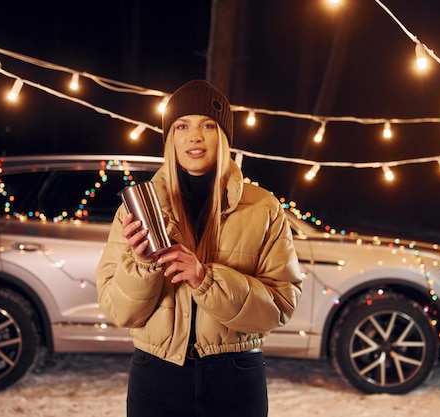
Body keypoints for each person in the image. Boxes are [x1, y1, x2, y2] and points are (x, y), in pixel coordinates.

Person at [96, 79, 303, 417]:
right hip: (156, 378)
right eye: (182, 126)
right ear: (170, 139)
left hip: (235, 378)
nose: (195, 136)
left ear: (223, 137)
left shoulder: (263, 207)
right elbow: (119, 311)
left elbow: (279, 306)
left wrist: (204, 278)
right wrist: (144, 266)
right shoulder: (137, 210)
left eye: (208, 125)